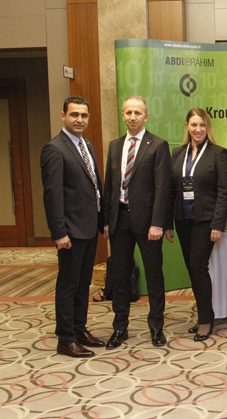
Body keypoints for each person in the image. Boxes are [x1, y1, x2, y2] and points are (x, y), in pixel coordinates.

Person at [103, 96, 172, 349]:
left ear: (146, 116)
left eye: (138, 113)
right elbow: (109, 186)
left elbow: (163, 188)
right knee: (120, 276)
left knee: (154, 276)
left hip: (148, 223)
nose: (133, 117)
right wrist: (107, 220)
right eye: (129, 112)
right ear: (123, 115)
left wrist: (158, 223)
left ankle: (156, 327)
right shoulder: (114, 146)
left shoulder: (158, 145)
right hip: (119, 220)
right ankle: (120, 327)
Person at [41, 96, 105, 358]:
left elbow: (94, 187)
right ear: (63, 116)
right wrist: (59, 233)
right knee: (68, 285)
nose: (80, 120)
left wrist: (101, 221)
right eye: (74, 114)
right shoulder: (54, 149)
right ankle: (65, 339)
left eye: (84, 115)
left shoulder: (86, 145)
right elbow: (52, 195)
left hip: (88, 228)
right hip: (70, 232)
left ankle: (79, 330)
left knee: (83, 283)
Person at [165, 108, 227, 341]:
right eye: (194, 125)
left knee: (198, 266)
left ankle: (205, 319)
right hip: (183, 219)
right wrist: (168, 223)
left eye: (202, 125)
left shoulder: (218, 153)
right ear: (187, 127)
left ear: (208, 127)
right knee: (192, 269)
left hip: (205, 220)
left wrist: (218, 224)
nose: (198, 129)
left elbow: (223, 191)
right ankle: (204, 314)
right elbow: (170, 191)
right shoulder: (177, 153)